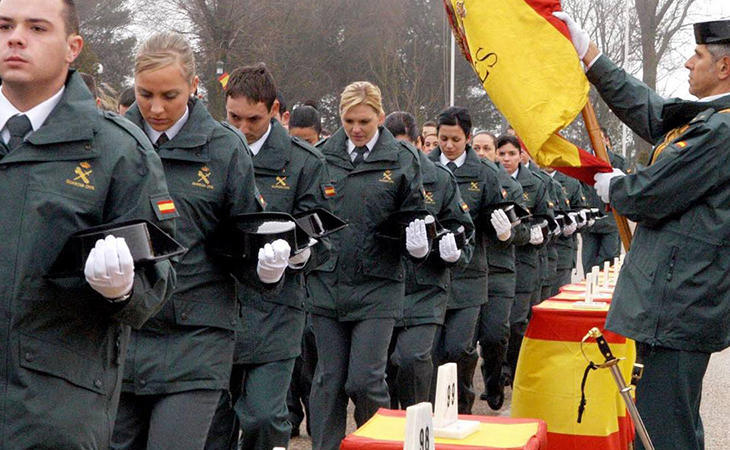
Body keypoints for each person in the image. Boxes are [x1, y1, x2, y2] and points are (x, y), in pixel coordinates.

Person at [0, 0, 177, 447]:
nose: (16, 37)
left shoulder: (116, 151)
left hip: (54, 407)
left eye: (37, 27)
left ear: (72, 47)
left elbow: (155, 281)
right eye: (4, 25)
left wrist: (122, 289)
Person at [555, 13, 730, 450]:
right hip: (678, 301)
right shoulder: (709, 119)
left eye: (699, 55)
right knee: (667, 424)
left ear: (724, 67)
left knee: (663, 432)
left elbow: (652, 194)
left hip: (680, 302)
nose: (689, 63)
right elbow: (650, 110)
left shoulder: (722, 129)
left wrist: (616, 185)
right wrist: (590, 58)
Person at [113, 33, 286, 450]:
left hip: (197, 335)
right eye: (144, 94)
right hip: (120, 332)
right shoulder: (111, 141)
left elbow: (243, 235)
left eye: (169, 95)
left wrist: (264, 266)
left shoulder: (225, 149)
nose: (156, 108)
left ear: (193, 87)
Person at [205, 63, 332, 450]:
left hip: (276, 310)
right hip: (216, 305)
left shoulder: (304, 162)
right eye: (234, 117)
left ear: (275, 110)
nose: (243, 128)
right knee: (213, 423)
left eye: (254, 119)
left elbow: (321, 237)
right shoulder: (208, 151)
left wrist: (299, 255)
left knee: (263, 415)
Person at [308, 81, 427, 450]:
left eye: (364, 120)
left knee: (365, 380)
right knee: (328, 380)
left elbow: (414, 214)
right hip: (327, 283)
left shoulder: (403, 159)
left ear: (379, 116)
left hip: (378, 283)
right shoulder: (321, 156)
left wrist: (417, 242)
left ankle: (373, 444)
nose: (356, 129)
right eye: (349, 121)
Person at [384, 111, 475, 409]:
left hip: (426, 287)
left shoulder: (439, 179)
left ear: (420, 143)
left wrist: (451, 251)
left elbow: (463, 229)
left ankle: (418, 421)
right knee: (382, 370)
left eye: (405, 145)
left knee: (412, 358)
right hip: (381, 284)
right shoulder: (373, 177)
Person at [427, 107, 506, 414]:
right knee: (432, 352)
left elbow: (494, 212)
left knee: (458, 348)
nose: (447, 145)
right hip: (431, 272)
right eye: (443, 139)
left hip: (469, 275)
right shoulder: (425, 167)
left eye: (455, 139)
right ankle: (434, 409)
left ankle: (460, 404)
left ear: (468, 138)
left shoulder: (485, 172)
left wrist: (500, 227)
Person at [470, 130, 531, 410]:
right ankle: (462, 396)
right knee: (465, 342)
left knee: (495, 335)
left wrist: (508, 234)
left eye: (487, 148)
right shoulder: (461, 180)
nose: (481, 153)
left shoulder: (510, 186)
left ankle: (494, 382)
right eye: (477, 147)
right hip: (468, 270)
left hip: (499, 269)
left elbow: (525, 232)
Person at [495, 135, 550, 388]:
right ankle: (498, 370)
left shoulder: (535, 184)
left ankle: (515, 368)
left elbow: (545, 218)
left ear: (520, 156)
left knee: (517, 321)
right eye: (502, 154)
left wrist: (539, 231)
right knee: (499, 324)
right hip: (499, 260)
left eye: (511, 154)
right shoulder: (490, 179)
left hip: (526, 259)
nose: (506, 159)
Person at [578, 127, 626, 274]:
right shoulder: (583, 162)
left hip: (611, 221)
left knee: (609, 262)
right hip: (590, 222)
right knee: (589, 264)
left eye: (600, 138)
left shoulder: (618, 161)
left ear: (606, 140)